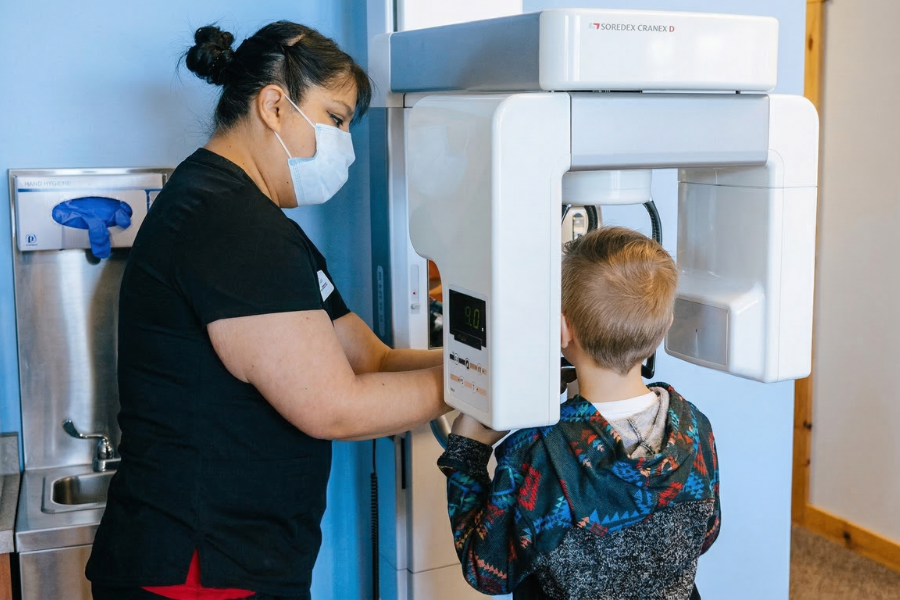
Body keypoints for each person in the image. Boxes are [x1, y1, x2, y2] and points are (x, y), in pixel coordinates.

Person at [86, 21, 449, 600]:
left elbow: (372, 360)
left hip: (241, 557)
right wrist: (482, 386)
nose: (344, 145)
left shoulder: (260, 223)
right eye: (335, 119)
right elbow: (333, 408)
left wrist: (477, 363)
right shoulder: (228, 222)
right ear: (274, 105)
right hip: (202, 569)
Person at [437, 226, 720, 600]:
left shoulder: (536, 453)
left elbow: (487, 570)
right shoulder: (695, 427)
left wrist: (467, 452)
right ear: (665, 327)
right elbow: (707, 531)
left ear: (562, 328)